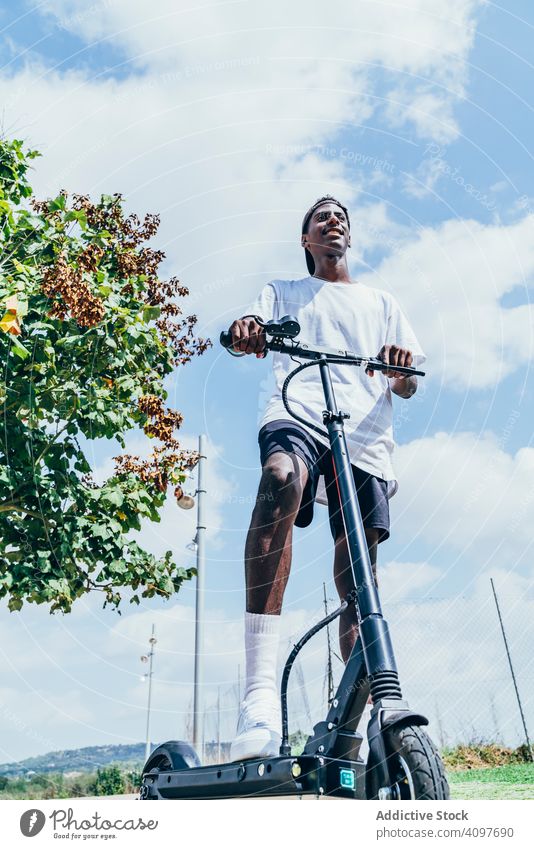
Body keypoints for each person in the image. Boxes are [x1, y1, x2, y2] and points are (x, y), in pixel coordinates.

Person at [227, 195, 425, 761]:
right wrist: (247, 331)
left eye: (341, 215)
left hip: (362, 437)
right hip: (298, 413)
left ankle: (353, 721)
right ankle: (260, 699)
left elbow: (408, 381)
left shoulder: (381, 302)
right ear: (307, 240)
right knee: (280, 477)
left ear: (349, 237)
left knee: (356, 573)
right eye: (321, 217)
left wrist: (398, 368)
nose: (333, 220)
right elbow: (251, 328)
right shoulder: (282, 291)